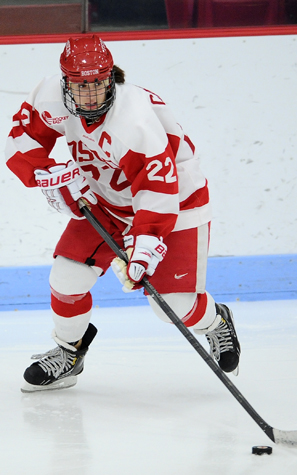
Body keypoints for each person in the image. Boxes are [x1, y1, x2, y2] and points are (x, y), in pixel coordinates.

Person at [5, 35, 241, 392]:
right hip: (108, 199)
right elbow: (22, 141)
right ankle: (70, 352)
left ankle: (216, 322)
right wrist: (49, 177)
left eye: (97, 85)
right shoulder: (50, 96)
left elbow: (157, 189)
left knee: (171, 307)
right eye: (78, 87)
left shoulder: (134, 121)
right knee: (66, 279)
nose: (89, 96)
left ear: (110, 78)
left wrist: (145, 245)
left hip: (175, 202)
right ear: (64, 81)